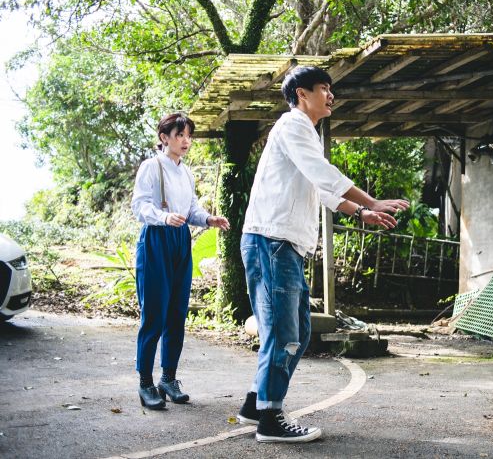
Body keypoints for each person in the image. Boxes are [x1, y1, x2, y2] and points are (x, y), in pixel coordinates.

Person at [236, 66, 409, 443]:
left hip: (281, 245)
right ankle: (269, 419)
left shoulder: (302, 133)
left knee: (294, 330)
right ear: (302, 93)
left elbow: (321, 187)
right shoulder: (293, 125)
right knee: (284, 333)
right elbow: (323, 172)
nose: (331, 96)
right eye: (324, 89)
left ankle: (256, 404)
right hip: (272, 242)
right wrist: (370, 199)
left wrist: (362, 212)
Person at [131, 112, 230, 409]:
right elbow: (139, 206)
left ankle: (169, 379)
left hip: (180, 241)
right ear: (164, 138)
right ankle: (146, 383)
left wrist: (209, 219)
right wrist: (163, 217)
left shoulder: (186, 173)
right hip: (156, 240)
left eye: (189, 136)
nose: (186, 141)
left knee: (177, 314)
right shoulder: (151, 167)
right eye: (180, 135)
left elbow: (191, 209)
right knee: (154, 315)